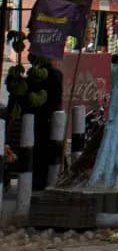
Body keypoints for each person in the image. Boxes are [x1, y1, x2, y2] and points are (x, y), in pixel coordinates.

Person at [30, 52, 64, 192]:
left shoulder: (33, 75)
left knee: (37, 151)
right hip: (50, 117)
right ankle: (44, 181)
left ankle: (37, 182)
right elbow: (57, 99)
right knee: (47, 151)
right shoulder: (56, 75)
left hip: (36, 117)